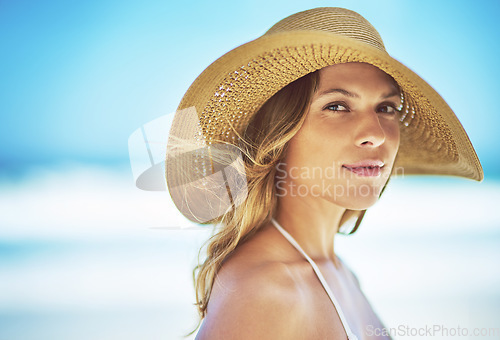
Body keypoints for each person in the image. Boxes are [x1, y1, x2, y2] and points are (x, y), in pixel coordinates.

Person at [164, 7, 483, 339]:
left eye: (386, 108)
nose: (376, 133)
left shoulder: (339, 272)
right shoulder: (264, 291)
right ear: (279, 133)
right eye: (337, 107)